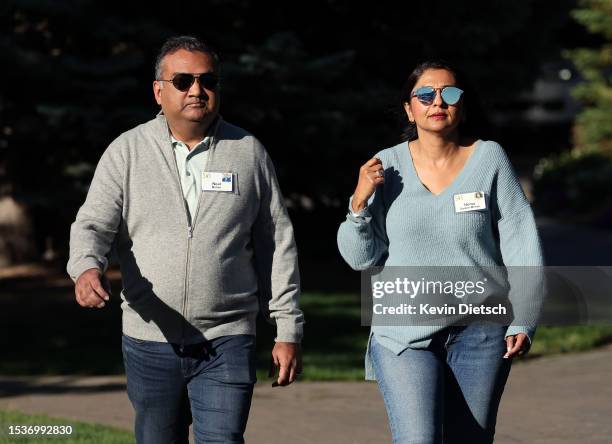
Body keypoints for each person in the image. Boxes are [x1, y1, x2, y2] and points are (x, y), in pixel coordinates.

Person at [67, 35, 304, 444]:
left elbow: (277, 243)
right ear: (159, 91)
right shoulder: (127, 151)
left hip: (228, 335)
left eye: (207, 80)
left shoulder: (247, 152)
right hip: (149, 339)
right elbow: (93, 224)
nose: (197, 90)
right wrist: (86, 267)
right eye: (182, 81)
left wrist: (287, 329)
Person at [337, 61, 544, 443]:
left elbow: (521, 241)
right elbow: (359, 258)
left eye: (450, 94)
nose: (438, 102)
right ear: (408, 107)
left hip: (481, 331)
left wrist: (524, 318)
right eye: (425, 95)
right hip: (403, 331)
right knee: (418, 438)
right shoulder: (386, 166)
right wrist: (359, 203)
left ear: (462, 106)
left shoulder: (489, 158)